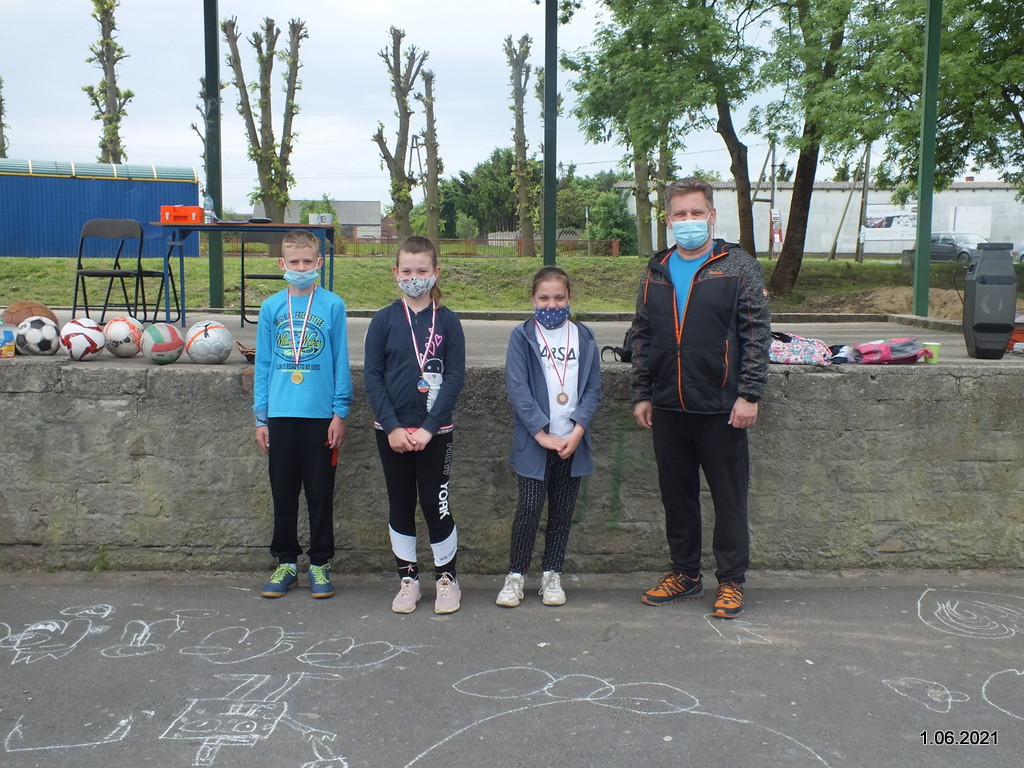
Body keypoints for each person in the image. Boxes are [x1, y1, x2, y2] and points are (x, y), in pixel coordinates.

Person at [630, 177, 771, 619]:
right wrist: (643, 392)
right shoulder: (656, 269)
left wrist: (749, 394)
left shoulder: (738, 266)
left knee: (729, 498)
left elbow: (756, 333)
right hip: (668, 405)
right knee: (677, 496)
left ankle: (731, 580)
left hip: (722, 406)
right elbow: (643, 334)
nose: (688, 220)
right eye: (680, 214)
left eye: (696, 212)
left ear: (712, 215)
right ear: (668, 219)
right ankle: (685, 574)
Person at [364, 235, 466, 615]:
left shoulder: (449, 321)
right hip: (391, 432)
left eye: (422, 270)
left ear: (436, 271)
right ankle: (408, 580)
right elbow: (373, 377)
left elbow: (454, 378)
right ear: (395, 272)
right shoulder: (383, 320)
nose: (414, 277)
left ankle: (446, 579)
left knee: (436, 505)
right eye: (406, 271)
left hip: (435, 433)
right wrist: (392, 427)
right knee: (400, 504)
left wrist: (429, 426)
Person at [254, 229, 352, 599]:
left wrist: (340, 412)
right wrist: (261, 417)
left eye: (307, 261)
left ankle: (320, 564)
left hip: (320, 417)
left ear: (319, 263)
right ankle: (286, 562)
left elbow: (340, 361)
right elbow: (263, 364)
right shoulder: (271, 308)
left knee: (320, 493)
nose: (300, 267)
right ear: (282, 263)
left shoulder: (332, 305)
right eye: (293, 262)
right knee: (283, 492)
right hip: (280, 414)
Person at [496, 267, 602, 608]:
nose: (551, 304)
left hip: (572, 442)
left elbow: (593, 389)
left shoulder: (583, 336)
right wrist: (540, 433)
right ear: (533, 299)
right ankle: (515, 576)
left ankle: (552, 574)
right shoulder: (522, 336)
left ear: (569, 298)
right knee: (528, 509)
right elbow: (518, 388)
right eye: (544, 298)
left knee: (561, 512)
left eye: (559, 297)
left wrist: (578, 430)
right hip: (536, 442)